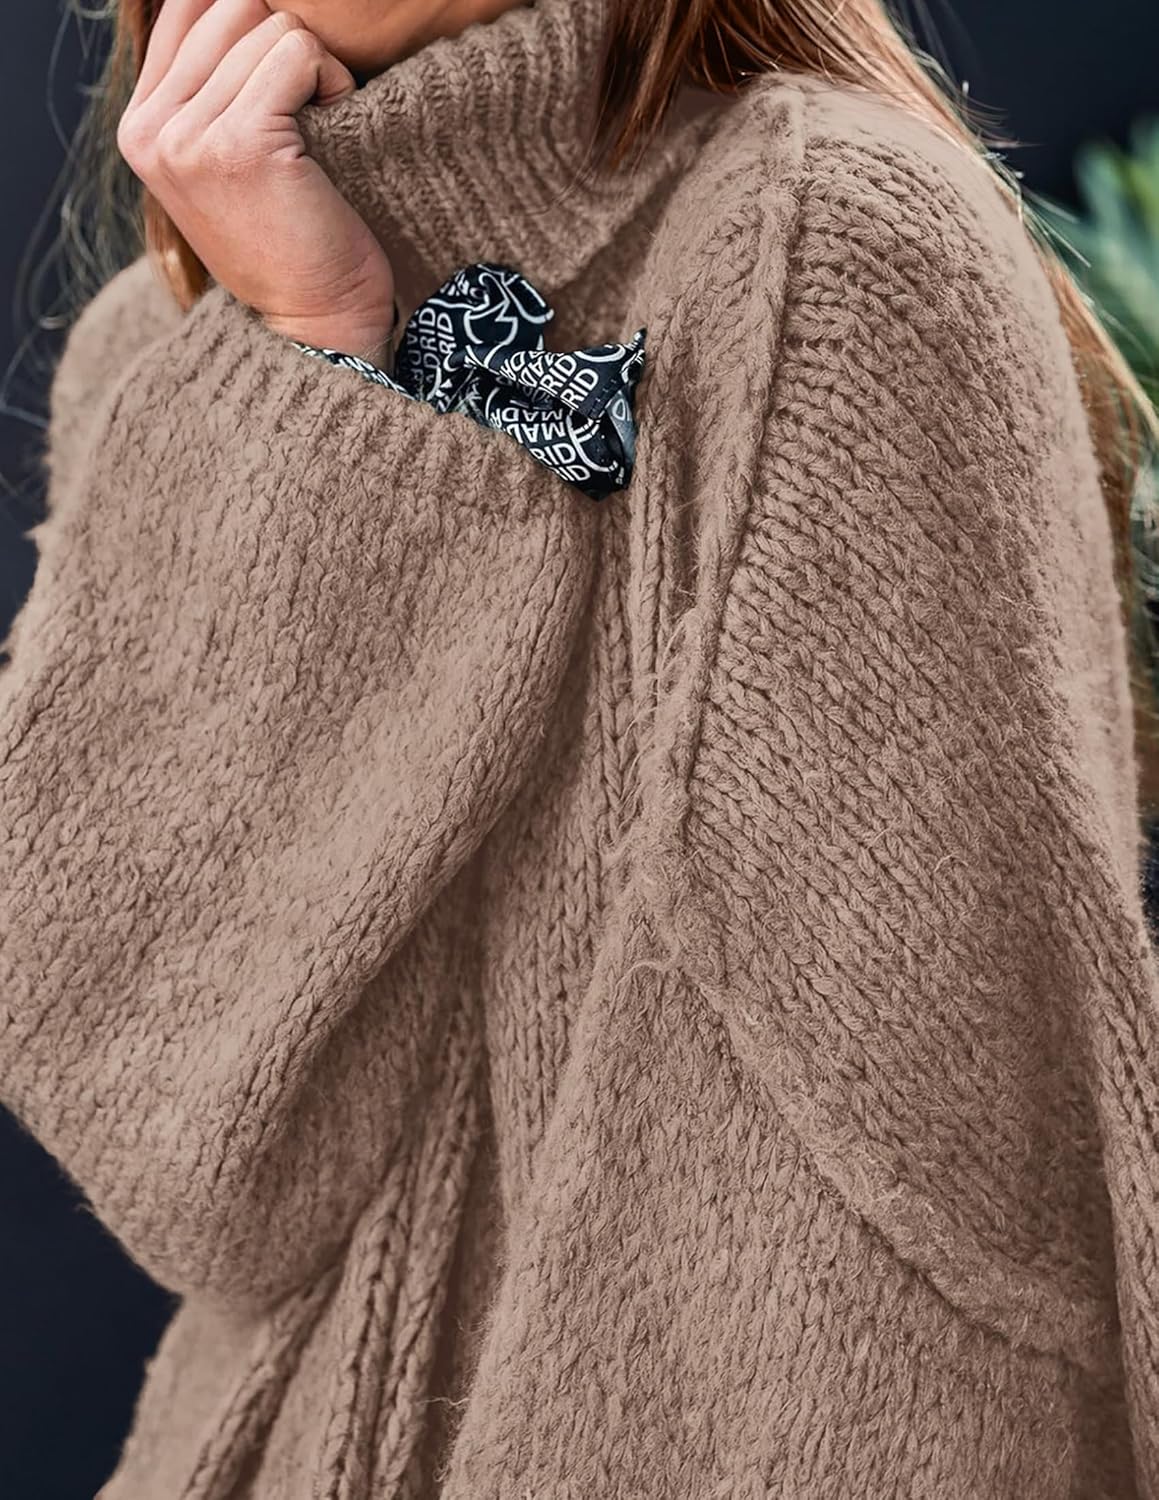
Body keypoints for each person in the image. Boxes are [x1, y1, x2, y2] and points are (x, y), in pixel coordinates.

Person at [2, 0, 1159, 1494]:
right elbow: (196, 1175)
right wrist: (316, 354)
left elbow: (900, 1237)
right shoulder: (170, 347)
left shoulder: (830, 250)